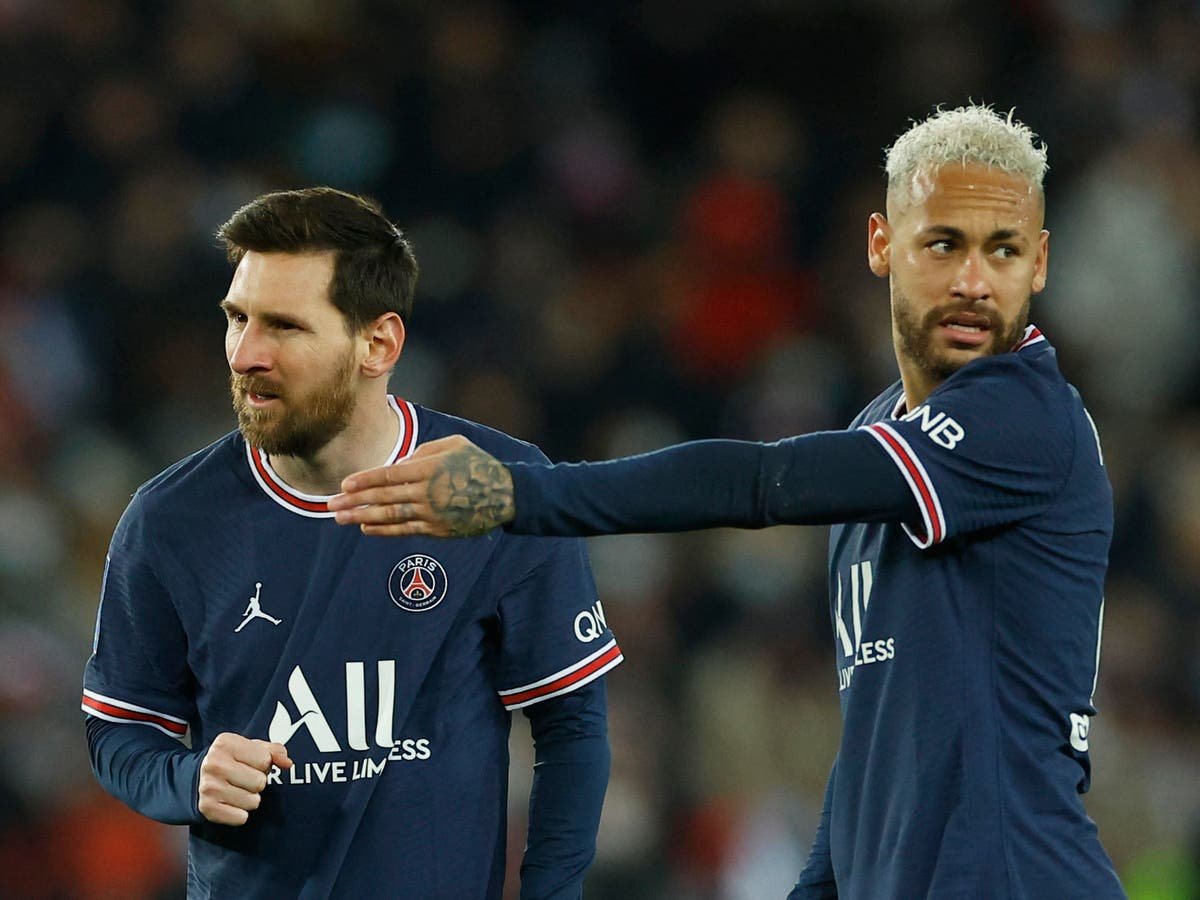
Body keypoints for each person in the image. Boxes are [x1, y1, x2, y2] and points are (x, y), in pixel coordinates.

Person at [328, 105, 1127, 898]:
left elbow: (763, 481)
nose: (974, 282)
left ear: (1040, 263)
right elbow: (881, 741)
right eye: (944, 244)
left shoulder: (1025, 416)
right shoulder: (882, 436)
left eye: (1004, 250)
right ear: (883, 244)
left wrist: (518, 491)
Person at [81, 187, 621, 899]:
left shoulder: (496, 489)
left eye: (284, 326)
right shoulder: (169, 521)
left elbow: (572, 726)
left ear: (378, 344)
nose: (245, 354)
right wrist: (188, 778)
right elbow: (118, 731)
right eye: (237, 318)